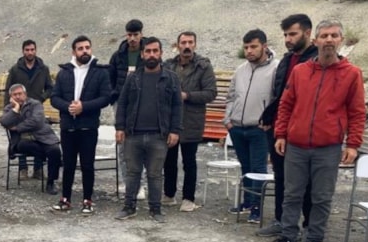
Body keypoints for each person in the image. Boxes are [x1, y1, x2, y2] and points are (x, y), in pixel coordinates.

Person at [267, 19, 365, 242]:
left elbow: (357, 111)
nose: (329, 40)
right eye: (324, 36)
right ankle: (289, 235)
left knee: (321, 196)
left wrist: (353, 144)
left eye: (334, 36)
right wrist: (281, 134)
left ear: (341, 40)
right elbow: (286, 105)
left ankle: (314, 240)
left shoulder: (351, 74)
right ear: (315, 41)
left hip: (327, 147)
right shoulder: (301, 72)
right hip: (296, 145)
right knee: (292, 193)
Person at [256, 14, 318, 237]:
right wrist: (268, 119)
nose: (288, 39)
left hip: (305, 131)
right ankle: (281, 222)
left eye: (293, 34)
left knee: (307, 182)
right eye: (285, 35)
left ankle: (309, 226)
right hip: (280, 129)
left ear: (308, 33)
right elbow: (280, 95)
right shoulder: (286, 60)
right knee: (281, 176)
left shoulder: (317, 61)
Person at [114, 37, 182, 223]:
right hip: (133, 134)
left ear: (160, 53)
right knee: (132, 172)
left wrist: (175, 130)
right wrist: (120, 127)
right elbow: (123, 104)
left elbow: (177, 106)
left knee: (155, 173)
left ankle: (156, 209)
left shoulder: (171, 78)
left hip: (158, 135)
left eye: (155, 51)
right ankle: (129, 207)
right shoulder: (133, 78)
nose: (151, 54)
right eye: (148, 51)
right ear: (142, 54)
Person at [50, 35, 112, 214]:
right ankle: (65, 199)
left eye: (87, 47)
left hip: (88, 126)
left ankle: (87, 200)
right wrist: (68, 107)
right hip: (68, 126)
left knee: (87, 165)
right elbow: (54, 97)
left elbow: (106, 97)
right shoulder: (64, 73)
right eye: (80, 48)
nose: (84, 51)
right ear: (73, 51)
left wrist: (84, 107)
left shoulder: (100, 72)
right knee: (68, 164)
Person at [223, 29, 278, 224]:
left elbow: (277, 99)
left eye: (253, 46)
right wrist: (228, 120)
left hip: (259, 129)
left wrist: (269, 122)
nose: (249, 51)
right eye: (246, 47)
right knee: (245, 167)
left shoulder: (275, 69)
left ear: (264, 45)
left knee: (259, 168)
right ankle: (247, 203)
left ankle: (257, 208)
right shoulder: (240, 70)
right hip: (237, 127)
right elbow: (231, 96)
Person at [162, 31, 217, 212]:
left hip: (192, 119)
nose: (187, 46)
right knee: (168, 160)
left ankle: (188, 198)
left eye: (190, 42)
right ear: (177, 45)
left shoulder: (203, 66)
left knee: (189, 161)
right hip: (170, 121)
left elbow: (211, 93)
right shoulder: (168, 65)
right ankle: (169, 194)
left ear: (195, 44)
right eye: (183, 42)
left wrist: (188, 95)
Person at [4, 40, 54, 180]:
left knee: (39, 136)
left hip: (36, 109)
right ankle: (23, 168)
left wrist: (41, 99)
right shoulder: (15, 69)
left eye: (32, 49)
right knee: (20, 135)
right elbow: (9, 89)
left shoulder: (43, 68)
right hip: (19, 109)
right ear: (23, 51)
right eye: (27, 50)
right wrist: (8, 110)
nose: (30, 52)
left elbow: (50, 87)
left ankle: (38, 169)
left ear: (36, 50)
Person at [0, 83, 61, 195]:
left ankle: (51, 182)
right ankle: (48, 157)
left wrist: (17, 127)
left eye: (20, 94)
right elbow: (4, 122)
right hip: (22, 141)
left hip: (43, 136)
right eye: (15, 95)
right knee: (24, 145)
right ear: (11, 97)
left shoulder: (35, 104)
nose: (18, 97)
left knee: (55, 150)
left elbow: (36, 121)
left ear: (25, 94)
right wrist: (16, 109)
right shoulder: (9, 108)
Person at [109, 19, 146, 200]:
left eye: (135, 35)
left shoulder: (148, 53)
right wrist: (114, 96)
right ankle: (127, 182)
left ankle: (142, 184)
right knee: (123, 145)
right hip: (121, 105)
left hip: (143, 104)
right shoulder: (117, 56)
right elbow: (110, 78)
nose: (132, 38)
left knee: (142, 144)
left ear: (141, 34)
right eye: (129, 35)